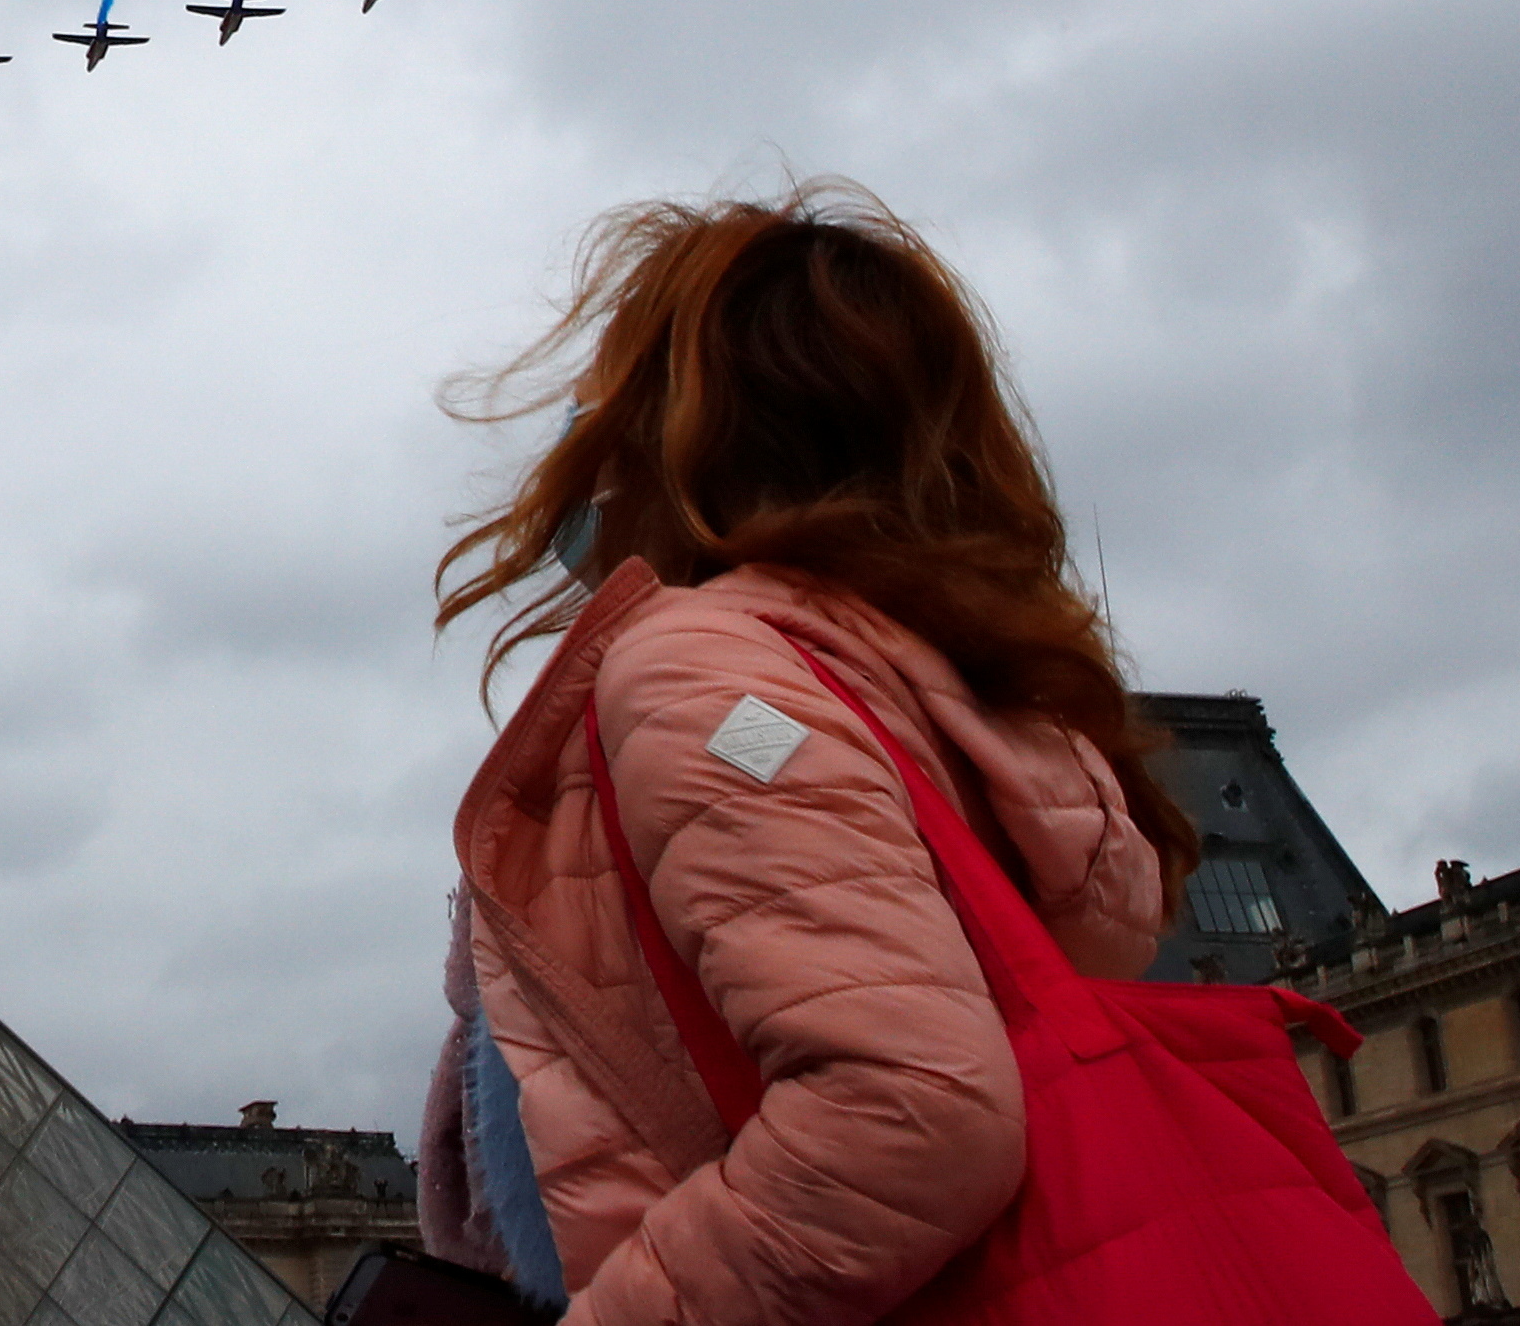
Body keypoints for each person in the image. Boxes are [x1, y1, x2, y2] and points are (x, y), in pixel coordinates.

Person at [414, 183, 1193, 1324]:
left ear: (686, 431)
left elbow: (908, 1115)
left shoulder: (720, 684)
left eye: (608, 399)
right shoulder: (959, 703)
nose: (583, 442)